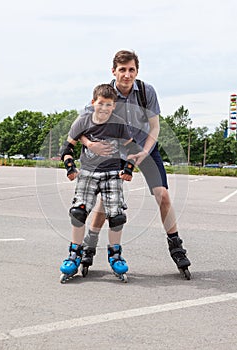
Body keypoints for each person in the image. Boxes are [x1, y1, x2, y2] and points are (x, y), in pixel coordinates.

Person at [80, 50, 191, 277]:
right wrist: (91, 145)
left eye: (131, 70)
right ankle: (89, 246)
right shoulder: (105, 94)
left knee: (163, 196)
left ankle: (176, 246)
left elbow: (155, 127)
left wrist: (144, 152)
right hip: (115, 151)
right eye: (122, 70)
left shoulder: (146, 92)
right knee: (106, 202)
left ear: (137, 71)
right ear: (114, 71)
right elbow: (82, 127)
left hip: (144, 148)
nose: (127, 75)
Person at [59, 83, 140, 282]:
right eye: (101, 103)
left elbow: (132, 149)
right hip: (87, 172)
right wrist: (70, 167)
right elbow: (66, 148)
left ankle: (115, 254)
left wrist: (128, 168)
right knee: (78, 213)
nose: (104, 108)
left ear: (114, 106)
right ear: (93, 102)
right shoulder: (83, 121)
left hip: (112, 173)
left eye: (108, 105)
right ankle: (74, 253)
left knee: (117, 216)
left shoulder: (119, 123)